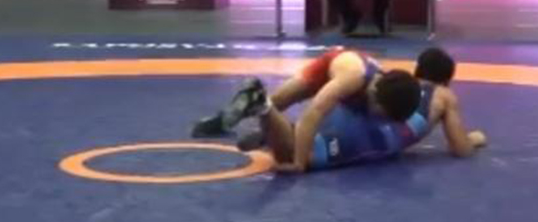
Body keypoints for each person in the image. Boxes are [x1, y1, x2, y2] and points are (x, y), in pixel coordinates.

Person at [192, 47, 486, 172]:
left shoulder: (401, 85)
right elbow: (314, 112)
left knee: (287, 112)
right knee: (287, 112)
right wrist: (474, 138)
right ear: (446, 80)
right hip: (338, 68)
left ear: (417, 69)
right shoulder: (443, 96)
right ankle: (256, 113)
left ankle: (266, 120)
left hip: (352, 86)